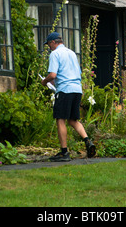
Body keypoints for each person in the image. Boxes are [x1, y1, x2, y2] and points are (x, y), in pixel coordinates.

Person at [41, 31, 96, 162]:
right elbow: (73, 72)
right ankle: (87, 141)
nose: (49, 48)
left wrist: (44, 81)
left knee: (60, 119)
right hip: (77, 89)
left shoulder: (55, 54)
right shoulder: (71, 53)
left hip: (65, 90)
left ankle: (64, 152)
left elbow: (53, 75)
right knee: (73, 120)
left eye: (49, 45)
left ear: (53, 42)